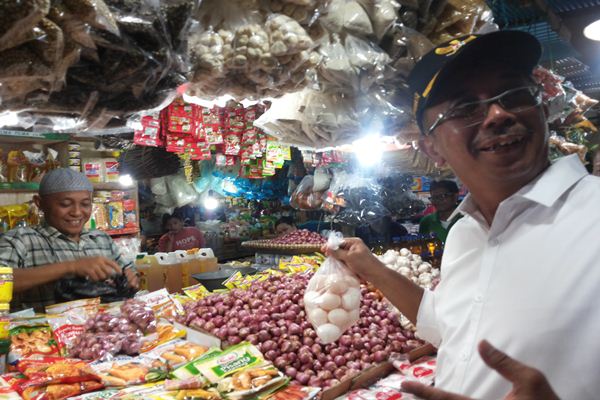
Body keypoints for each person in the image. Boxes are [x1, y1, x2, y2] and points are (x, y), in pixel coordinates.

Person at [326, 30, 600, 400]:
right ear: (431, 148)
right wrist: (370, 266)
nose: (498, 114)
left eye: (514, 95)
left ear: (542, 108)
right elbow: (450, 327)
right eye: (465, 108)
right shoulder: (465, 233)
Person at [0, 169, 139, 312]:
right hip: (41, 333)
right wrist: (70, 267)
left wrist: (130, 276)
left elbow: (128, 270)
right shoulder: (20, 240)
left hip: (100, 330)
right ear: (39, 203)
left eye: (85, 204)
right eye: (65, 204)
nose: (77, 212)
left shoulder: (101, 239)